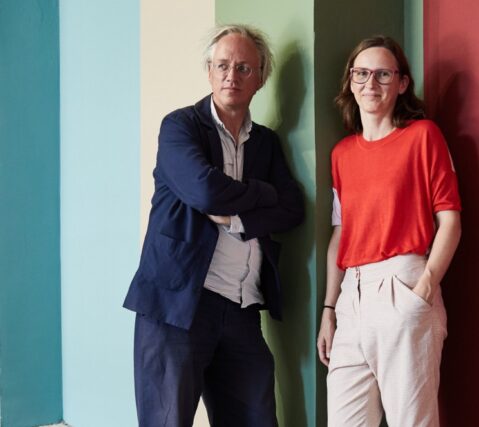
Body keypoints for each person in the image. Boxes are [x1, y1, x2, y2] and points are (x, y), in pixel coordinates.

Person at [123, 24, 304, 427]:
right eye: (222, 65)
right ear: (208, 71)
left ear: (260, 78)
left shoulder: (266, 143)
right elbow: (205, 192)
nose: (231, 75)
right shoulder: (180, 126)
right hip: (177, 306)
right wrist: (263, 192)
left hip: (241, 308)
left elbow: (292, 208)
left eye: (243, 68)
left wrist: (237, 216)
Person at [316, 35, 462, 427]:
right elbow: (340, 234)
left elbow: (450, 221)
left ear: (401, 83)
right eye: (361, 73)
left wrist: (425, 288)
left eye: (383, 74)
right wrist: (329, 309)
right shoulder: (342, 154)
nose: (371, 83)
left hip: (403, 285)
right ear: (350, 82)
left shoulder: (423, 137)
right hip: (351, 299)